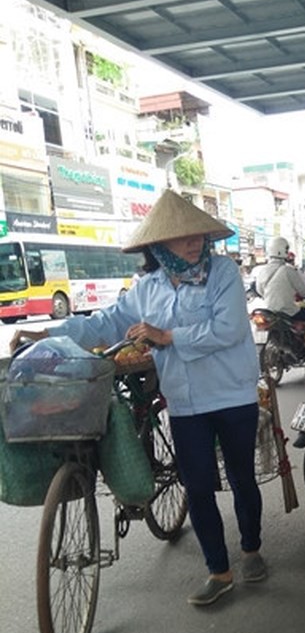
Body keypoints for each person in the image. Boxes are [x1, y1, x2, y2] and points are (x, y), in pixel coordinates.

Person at [10, 189, 266, 607]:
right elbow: (106, 323)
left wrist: (167, 337)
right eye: (181, 235)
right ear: (158, 244)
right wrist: (49, 334)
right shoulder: (146, 287)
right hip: (186, 404)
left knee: (241, 477)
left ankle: (252, 548)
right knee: (198, 486)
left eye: (198, 234)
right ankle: (219, 570)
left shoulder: (223, 273)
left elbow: (231, 329)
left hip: (233, 394)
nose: (193, 240)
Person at [256, 236, 305, 344]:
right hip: (287, 311)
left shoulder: (263, 270)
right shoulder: (288, 270)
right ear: (284, 251)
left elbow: (260, 290)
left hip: (270, 312)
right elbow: (304, 291)